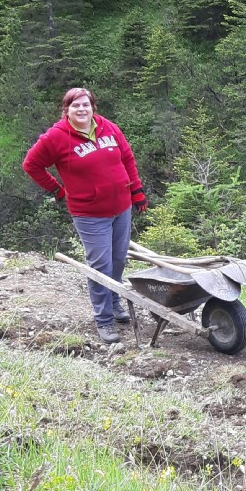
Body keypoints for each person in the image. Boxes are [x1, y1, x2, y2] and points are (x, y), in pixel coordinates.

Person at [23, 88, 148, 344]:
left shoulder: (108, 127)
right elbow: (31, 165)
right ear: (66, 109)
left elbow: (127, 158)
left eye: (86, 105)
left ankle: (115, 303)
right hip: (90, 214)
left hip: (121, 207)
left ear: (93, 107)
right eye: (75, 106)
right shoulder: (56, 137)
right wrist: (58, 190)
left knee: (118, 259)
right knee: (100, 266)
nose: (82, 109)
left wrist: (136, 192)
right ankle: (103, 320)